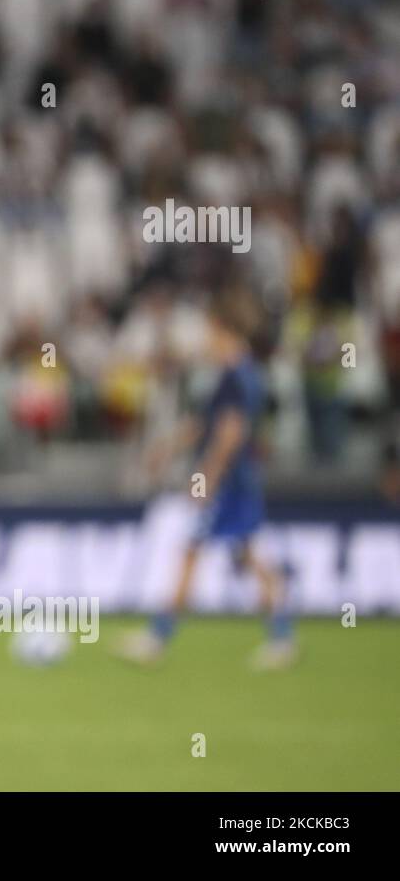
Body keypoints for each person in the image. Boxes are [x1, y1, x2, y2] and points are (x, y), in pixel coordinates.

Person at [118, 287, 294, 670]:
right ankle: (282, 638)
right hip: (237, 481)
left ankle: (158, 637)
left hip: (231, 483)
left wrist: (207, 476)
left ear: (223, 329)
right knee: (245, 554)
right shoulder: (238, 374)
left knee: (193, 551)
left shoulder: (237, 375)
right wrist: (168, 447)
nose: (206, 339)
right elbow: (206, 422)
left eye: (210, 331)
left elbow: (230, 431)